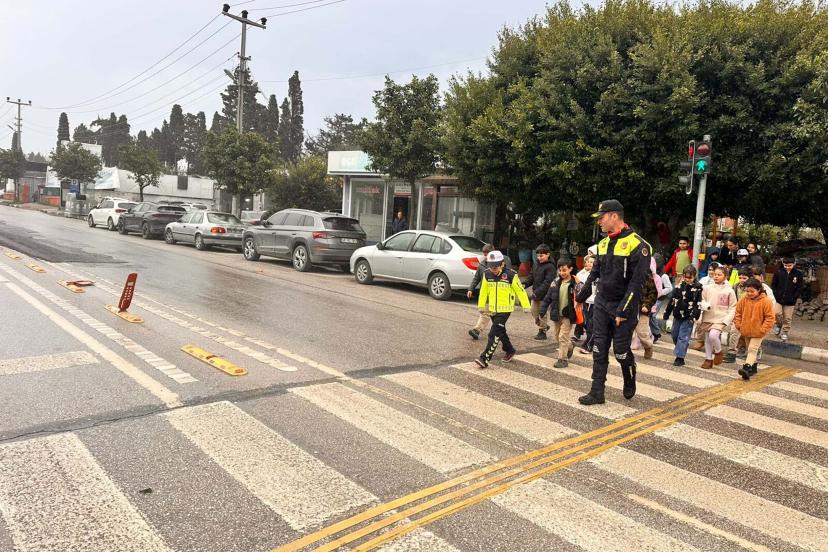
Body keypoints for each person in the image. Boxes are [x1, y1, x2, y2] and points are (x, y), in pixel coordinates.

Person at [575, 199, 651, 405]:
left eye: (602, 217)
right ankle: (597, 391)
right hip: (601, 303)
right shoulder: (603, 243)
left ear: (614, 216)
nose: (599, 222)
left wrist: (623, 311)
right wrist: (579, 298)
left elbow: (637, 284)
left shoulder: (639, 245)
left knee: (621, 351)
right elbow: (595, 274)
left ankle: (629, 376)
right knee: (599, 349)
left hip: (623, 307)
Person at [474, 250, 530, 368]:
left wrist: (526, 305)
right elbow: (483, 291)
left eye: (495, 267)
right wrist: (481, 305)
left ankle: (484, 358)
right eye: (491, 267)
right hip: (493, 309)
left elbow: (520, 290)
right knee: (500, 331)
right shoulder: (487, 274)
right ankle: (509, 350)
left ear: (502, 264)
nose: (493, 270)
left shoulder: (511, 275)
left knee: (493, 333)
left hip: (505, 310)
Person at [539, 258, 578, 367]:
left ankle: (562, 359)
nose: (562, 273)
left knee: (562, 336)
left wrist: (579, 285)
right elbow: (548, 298)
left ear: (570, 269)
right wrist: (542, 310)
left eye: (564, 270)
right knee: (557, 337)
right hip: (557, 314)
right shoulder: (555, 282)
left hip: (568, 315)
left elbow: (581, 296)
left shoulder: (575, 282)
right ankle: (570, 346)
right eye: (560, 270)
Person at [734, 278, 775, 380]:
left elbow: (770, 318)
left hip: (759, 331)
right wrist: (739, 325)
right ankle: (754, 367)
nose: (749, 293)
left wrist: (763, 329)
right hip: (746, 330)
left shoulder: (766, 301)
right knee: (750, 349)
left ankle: (747, 368)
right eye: (747, 291)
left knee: (752, 349)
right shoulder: (743, 299)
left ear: (759, 290)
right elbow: (738, 313)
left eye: (752, 291)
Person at [663, 265, 703, 366]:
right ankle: (681, 348)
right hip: (677, 315)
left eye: (690, 277)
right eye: (686, 277)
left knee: (683, 337)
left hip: (688, 317)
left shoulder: (698, 288)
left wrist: (694, 316)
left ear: (694, 276)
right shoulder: (678, 287)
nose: (687, 279)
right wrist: (667, 313)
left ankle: (680, 357)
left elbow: (698, 304)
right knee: (675, 335)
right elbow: (672, 301)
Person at [699, 265, 737, 368]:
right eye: (715, 274)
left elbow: (733, 307)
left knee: (713, 336)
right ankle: (708, 359)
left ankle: (719, 352)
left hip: (721, 318)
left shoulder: (730, 291)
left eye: (719, 275)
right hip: (708, 316)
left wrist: (727, 320)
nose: (716, 276)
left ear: (725, 276)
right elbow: (702, 300)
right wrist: (704, 305)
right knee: (707, 339)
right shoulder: (707, 288)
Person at [523, 244, 556, 340]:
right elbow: (531, 276)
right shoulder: (536, 264)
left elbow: (547, 282)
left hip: (544, 295)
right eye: (538, 255)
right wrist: (525, 284)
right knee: (534, 312)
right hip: (536, 293)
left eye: (541, 255)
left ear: (548, 255)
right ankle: (544, 325)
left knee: (542, 313)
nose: (539, 257)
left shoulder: (550, 267)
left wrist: (537, 292)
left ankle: (542, 331)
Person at [770, 257, 804, 342]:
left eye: (790, 265)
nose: (787, 267)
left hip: (790, 301)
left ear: (794, 264)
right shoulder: (778, 272)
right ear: (783, 263)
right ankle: (778, 325)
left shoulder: (798, 274)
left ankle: (785, 332)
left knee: (787, 318)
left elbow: (800, 287)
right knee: (777, 313)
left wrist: (795, 296)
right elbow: (773, 284)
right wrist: (776, 294)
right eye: (786, 265)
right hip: (778, 298)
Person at [467, 244, 496, 340]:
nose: (486, 256)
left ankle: (480, 330)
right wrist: (471, 289)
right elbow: (476, 278)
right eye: (484, 254)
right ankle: (477, 330)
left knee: (493, 315)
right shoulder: (482, 264)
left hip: (497, 293)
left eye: (487, 254)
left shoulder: (500, 263)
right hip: (485, 293)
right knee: (485, 313)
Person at [723, 269, 751, 363]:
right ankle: (731, 353)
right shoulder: (736, 287)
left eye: (744, 278)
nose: (742, 280)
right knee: (734, 332)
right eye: (740, 277)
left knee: (749, 335)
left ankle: (753, 352)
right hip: (738, 313)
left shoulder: (753, 288)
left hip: (750, 314)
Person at [634, 260, 658, 359]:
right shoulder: (627, 276)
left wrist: (646, 305)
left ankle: (648, 346)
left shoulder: (647, 278)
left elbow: (653, 293)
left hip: (642, 310)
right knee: (624, 331)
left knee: (642, 332)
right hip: (629, 308)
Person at [650, 256, 673, 343]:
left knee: (652, 315)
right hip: (651, 297)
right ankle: (653, 333)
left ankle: (656, 333)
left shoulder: (664, 276)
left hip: (659, 299)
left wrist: (660, 292)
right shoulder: (651, 273)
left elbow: (669, 288)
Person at [576, 255, 596, 354]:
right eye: (587, 262)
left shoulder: (598, 274)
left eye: (591, 262)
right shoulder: (581, 273)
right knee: (586, 323)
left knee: (592, 324)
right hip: (585, 301)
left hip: (595, 302)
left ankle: (588, 345)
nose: (588, 263)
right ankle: (590, 340)